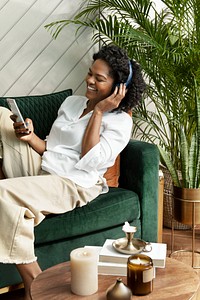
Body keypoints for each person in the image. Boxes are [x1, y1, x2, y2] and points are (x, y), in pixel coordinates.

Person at [0, 44, 146, 299]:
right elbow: (51, 149)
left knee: (2, 194)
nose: (89, 81)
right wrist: (30, 136)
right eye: (90, 73)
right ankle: (23, 202)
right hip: (43, 168)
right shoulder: (71, 103)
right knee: (2, 116)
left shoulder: (120, 121)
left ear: (118, 88)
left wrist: (99, 111)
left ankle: (33, 283)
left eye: (98, 79)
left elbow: (89, 159)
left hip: (74, 182)